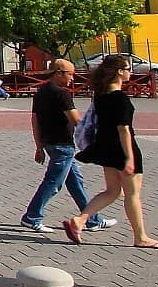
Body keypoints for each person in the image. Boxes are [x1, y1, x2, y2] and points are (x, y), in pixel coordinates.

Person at [63, 55, 158, 249]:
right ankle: (140, 237)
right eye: (128, 69)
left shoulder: (100, 95)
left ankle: (80, 220)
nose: (130, 72)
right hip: (122, 148)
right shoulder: (119, 98)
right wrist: (129, 158)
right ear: (119, 72)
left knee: (112, 191)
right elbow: (123, 129)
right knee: (132, 194)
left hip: (106, 147)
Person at [20, 59, 113, 233]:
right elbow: (76, 120)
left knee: (76, 183)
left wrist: (39, 146)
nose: (72, 78)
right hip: (62, 145)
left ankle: (92, 220)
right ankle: (31, 217)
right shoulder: (61, 94)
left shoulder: (41, 92)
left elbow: (35, 121)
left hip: (50, 143)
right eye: (70, 74)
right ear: (58, 73)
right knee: (53, 183)